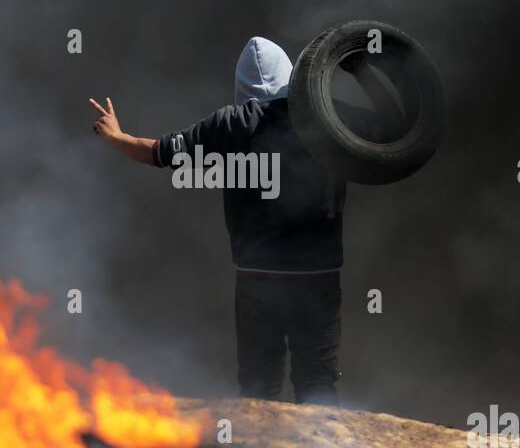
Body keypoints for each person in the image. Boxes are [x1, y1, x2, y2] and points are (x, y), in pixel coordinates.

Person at [88, 36, 347, 405]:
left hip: (257, 278)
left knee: (259, 391)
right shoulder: (326, 120)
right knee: (319, 386)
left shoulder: (230, 123)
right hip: (318, 278)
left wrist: (117, 137)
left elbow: (160, 153)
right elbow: (388, 138)